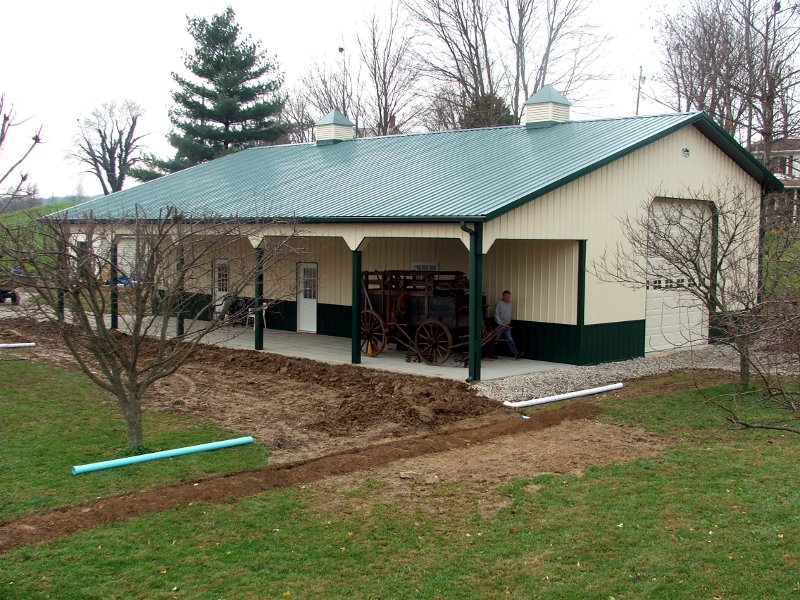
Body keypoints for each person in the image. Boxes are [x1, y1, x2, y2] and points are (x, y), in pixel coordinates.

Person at [489, 290, 522, 359]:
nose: (508, 298)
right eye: (507, 296)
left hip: (507, 325)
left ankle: (516, 354)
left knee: (510, 339)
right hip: (499, 325)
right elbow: (496, 315)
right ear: (503, 296)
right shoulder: (499, 304)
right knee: (495, 339)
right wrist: (501, 323)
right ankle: (491, 353)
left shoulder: (510, 304)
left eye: (509, 297)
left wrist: (508, 323)